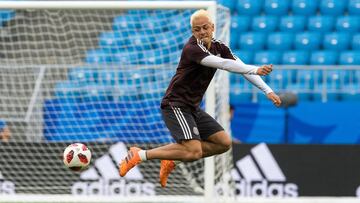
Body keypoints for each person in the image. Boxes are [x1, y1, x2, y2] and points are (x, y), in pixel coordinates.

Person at [119, 9, 282, 188]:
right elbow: (223, 64)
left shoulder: (220, 47)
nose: (202, 32)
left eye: (205, 27)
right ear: (192, 32)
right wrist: (255, 68)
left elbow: (239, 65)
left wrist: (268, 91)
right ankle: (140, 154)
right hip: (175, 105)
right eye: (197, 29)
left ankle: (173, 159)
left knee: (224, 143)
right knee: (194, 151)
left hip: (192, 108)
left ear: (212, 27)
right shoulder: (193, 49)